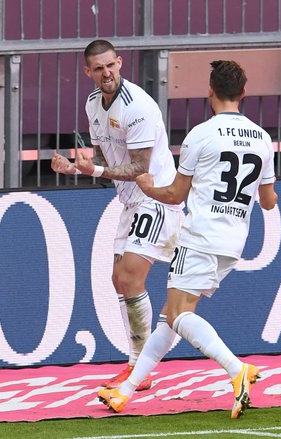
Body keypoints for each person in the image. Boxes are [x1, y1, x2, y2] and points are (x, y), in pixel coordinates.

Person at [97, 60, 278, 419]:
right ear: (243, 93)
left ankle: (236, 369)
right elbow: (269, 202)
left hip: (199, 236)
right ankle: (126, 391)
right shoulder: (263, 138)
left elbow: (177, 194)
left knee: (179, 315)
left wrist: (148, 186)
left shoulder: (200, 135)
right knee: (169, 316)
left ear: (209, 91)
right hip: (234, 240)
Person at [51, 40, 184, 391]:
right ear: (88, 72)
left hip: (157, 196)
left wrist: (90, 170)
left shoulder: (137, 106)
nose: (106, 73)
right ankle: (138, 364)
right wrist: (77, 168)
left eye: (111, 65)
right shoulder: (93, 104)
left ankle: (140, 367)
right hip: (131, 200)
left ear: (120, 62)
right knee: (119, 280)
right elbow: (106, 162)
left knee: (130, 276)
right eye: (98, 68)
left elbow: (140, 167)